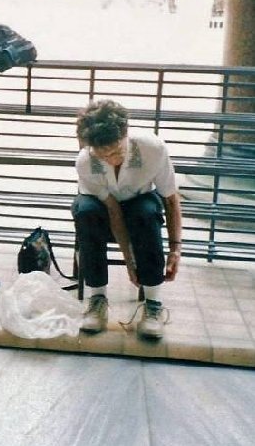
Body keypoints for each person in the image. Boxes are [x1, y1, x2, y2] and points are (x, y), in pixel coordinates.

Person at [71, 99, 182, 340]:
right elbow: (113, 211)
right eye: (105, 155)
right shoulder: (86, 161)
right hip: (102, 208)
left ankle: (153, 305)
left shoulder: (152, 149)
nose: (112, 159)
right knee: (85, 212)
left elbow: (171, 199)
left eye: (117, 151)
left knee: (146, 212)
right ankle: (97, 299)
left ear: (125, 133)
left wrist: (175, 249)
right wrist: (129, 260)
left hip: (139, 202)